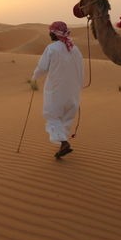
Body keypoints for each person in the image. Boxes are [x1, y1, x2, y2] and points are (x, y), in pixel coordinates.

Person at [31, 21, 84, 159]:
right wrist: (79, 85)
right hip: (72, 91)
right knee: (66, 117)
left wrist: (34, 77)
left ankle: (64, 142)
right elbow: (81, 69)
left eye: (50, 32)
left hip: (56, 90)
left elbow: (42, 67)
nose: (49, 34)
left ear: (54, 33)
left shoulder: (52, 48)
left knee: (52, 116)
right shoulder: (74, 49)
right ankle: (63, 144)